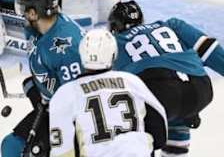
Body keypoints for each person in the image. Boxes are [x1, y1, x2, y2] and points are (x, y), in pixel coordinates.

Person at [108, 0, 222, 156]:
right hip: (200, 89)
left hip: (162, 95)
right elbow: (210, 49)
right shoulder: (172, 25)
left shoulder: (114, 42)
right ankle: (177, 141)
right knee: (172, 110)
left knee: (138, 111)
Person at [49, 29, 167, 157]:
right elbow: (160, 130)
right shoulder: (132, 81)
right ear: (113, 54)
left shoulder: (66, 93)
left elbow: (61, 150)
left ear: (82, 54)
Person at [1, 0, 85, 157]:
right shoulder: (38, 28)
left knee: (17, 149)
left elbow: (78, 100)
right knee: (11, 146)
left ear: (33, 13)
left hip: (72, 117)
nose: (22, 13)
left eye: (24, 9)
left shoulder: (66, 49)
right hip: (51, 102)